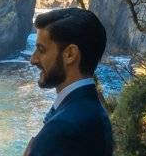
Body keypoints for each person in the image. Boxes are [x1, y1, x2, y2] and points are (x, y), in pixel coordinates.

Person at [25, 8, 114, 156]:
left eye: (41, 49)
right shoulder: (96, 113)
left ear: (70, 54)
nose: (33, 59)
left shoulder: (62, 128)